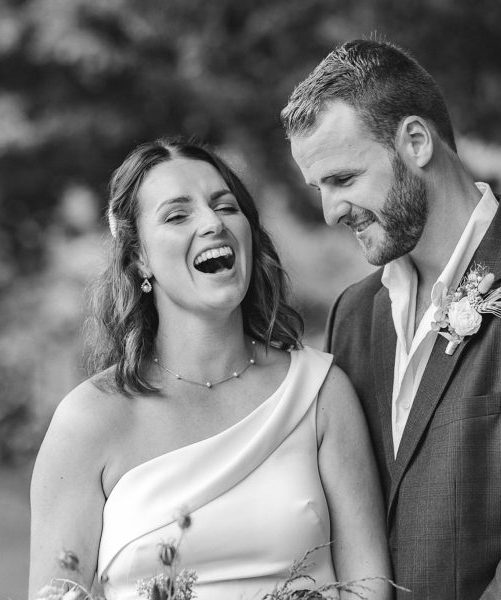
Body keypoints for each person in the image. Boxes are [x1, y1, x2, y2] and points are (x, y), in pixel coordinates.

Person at [282, 39, 501, 599]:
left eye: (343, 179)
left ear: (416, 142)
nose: (330, 212)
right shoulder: (355, 315)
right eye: (319, 188)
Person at [28, 137, 392, 600]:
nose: (213, 223)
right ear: (139, 257)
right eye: (178, 215)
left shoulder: (321, 394)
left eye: (226, 206)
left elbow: (370, 589)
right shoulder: (87, 421)